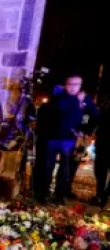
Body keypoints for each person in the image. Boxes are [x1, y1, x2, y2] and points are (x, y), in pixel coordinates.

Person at [33, 75, 98, 204]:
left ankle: (60, 195)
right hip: (53, 138)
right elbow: (57, 112)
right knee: (47, 167)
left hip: (69, 140)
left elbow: (92, 115)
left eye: (76, 85)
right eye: (70, 84)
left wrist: (84, 128)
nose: (73, 88)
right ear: (65, 85)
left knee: (65, 168)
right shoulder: (58, 98)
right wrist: (77, 103)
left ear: (80, 86)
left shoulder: (85, 99)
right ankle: (43, 193)